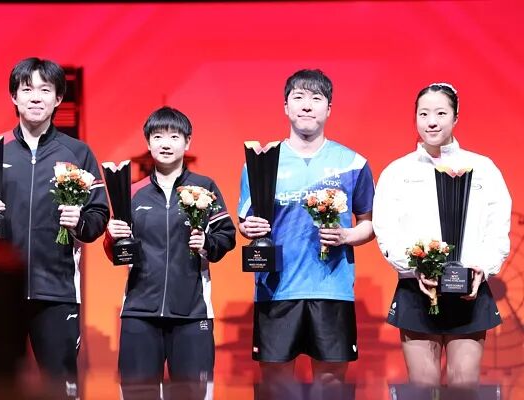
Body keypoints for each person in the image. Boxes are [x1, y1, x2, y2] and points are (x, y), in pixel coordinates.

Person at [0, 57, 109, 399]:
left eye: (45, 89)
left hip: (57, 292)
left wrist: (80, 222)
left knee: (61, 389)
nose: (36, 97)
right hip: (0, 291)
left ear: (58, 99)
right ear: (14, 97)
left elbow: (99, 214)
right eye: (27, 90)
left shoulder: (78, 153)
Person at [238, 69, 375, 384]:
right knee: (275, 383)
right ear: (286, 107)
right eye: (298, 97)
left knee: (331, 382)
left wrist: (346, 235)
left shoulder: (352, 163)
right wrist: (249, 228)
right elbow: (245, 223)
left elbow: (369, 224)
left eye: (316, 98)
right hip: (275, 290)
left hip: (333, 290)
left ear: (329, 109)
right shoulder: (259, 162)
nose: (307, 105)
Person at [372, 83, 511, 388]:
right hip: (417, 287)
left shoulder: (483, 168)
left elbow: (497, 228)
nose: (431, 122)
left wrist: (483, 268)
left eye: (440, 113)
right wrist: (415, 267)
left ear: (456, 117)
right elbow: (386, 231)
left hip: (469, 288)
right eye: (423, 114)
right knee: (423, 386)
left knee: (464, 384)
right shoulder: (397, 172)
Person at [103, 106, 236, 385]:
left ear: (187, 143)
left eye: (175, 136)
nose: (166, 143)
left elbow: (226, 236)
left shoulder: (204, 188)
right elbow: (116, 252)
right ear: (148, 142)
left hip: (192, 313)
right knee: (137, 393)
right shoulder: (133, 193)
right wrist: (112, 236)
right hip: (140, 313)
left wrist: (206, 243)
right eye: (158, 136)